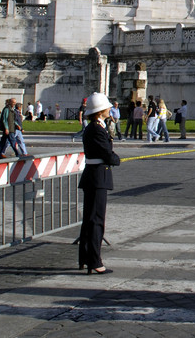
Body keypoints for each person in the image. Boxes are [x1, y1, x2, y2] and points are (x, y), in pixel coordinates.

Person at [78, 93, 121, 275]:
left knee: (90, 220)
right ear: (101, 110)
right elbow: (106, 153)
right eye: (107, 107)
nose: (110, 109)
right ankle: (94, 260)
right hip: (97, 177)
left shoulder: (95, 127)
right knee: (96, 220)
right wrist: (116, 159)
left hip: (94, 176)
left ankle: (85, 258)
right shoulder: (96, 129)